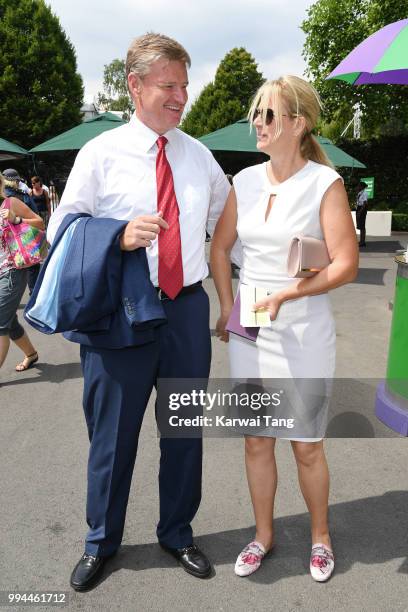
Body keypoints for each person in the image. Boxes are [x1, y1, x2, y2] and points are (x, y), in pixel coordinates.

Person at [47, 32, 230, 592]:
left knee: (184, 432)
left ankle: (177, 532)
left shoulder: (198, 155)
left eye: (184, 85)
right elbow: (63, 230)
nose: (181, 96)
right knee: (113, 438)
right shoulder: (100, 154)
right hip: (119, 316)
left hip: (185, 310)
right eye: (168, 85)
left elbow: (229, 220)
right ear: (134, 85)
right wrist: (117, 235)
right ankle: (101, 541)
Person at [210, 75, 358, 582]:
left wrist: (289, 294)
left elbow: (345, 264)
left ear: (299, 123)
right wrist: (230, 305)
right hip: (252, 317)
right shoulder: (244, 181)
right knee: (256, 439)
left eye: (269, 114)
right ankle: (263, 535)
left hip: (302, 325)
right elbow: (221, 248)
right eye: (257, 113)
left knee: (306, 442)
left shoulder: (324, 183)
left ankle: (320, 537)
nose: (258, 122)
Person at [0, 173, 43, 372]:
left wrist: (16, 219)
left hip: (12, 272)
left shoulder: (10, 204)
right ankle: (31, 354)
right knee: (10, 321)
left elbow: (40, 222)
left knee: (0, 324)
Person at [2, 168, 41, 294]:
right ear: (17, 181)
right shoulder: (22, 196)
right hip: (25, 247)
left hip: (10, 264)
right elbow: (39, 222)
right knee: (33, 269)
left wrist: (16, 219)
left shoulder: (10, 199)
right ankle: (33, 296)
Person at [356, 180, 368, 247]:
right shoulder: (360, 193)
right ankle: (361, 241)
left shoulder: (365, 193)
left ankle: (363, 242)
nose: (357, 187)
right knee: (360, 226)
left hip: (362, 209)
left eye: (358, 186)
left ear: (361, 186)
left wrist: (360, 212)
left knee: (362, 226)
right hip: (359, 208)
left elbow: (365, 204)